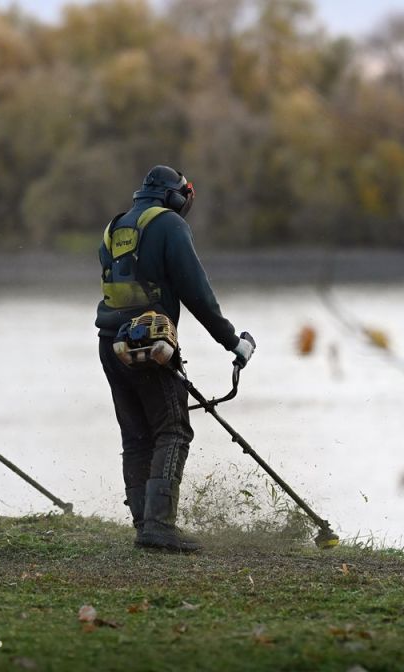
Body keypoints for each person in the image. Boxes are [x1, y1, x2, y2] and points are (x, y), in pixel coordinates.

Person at [96, 166, 255, 552]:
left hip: (109, 341)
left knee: (136, 435)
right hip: (150, 345)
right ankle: (159, 525)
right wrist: (232, 342)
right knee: (173, 430)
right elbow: (196, 291)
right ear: (176, 196)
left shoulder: (114, 228)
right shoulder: (169, 226)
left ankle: (143, 524)